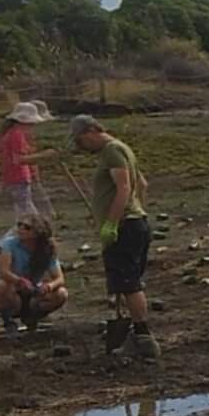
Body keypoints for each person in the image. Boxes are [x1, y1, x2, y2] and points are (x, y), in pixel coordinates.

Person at [69, 114, 156, 359]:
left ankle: (143, 336)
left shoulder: (112, 151)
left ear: (91, 131)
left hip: (126, 227)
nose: (82, 148)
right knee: (127, 281)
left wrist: (112, 222)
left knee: (129, 283)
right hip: (135, 222)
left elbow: (125, 187)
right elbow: (143, 185)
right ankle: (133, 331)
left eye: (81, 141)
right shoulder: (123, 149)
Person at [0, 215, 69, 331]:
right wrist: (19, 281)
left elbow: (59, 278)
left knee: (61, 293)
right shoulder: (9, 244)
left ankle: (33, 317)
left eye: (26, 227)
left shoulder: (47, 250)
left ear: (37, 233)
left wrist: (48, 287)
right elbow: (4, 271)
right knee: (2, 285)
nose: (21, 229)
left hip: (35, 291)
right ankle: (8, 320)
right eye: (19, 225)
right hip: (14, 290)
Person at [0, 101, 58, 222]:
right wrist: (44, 155)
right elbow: (19, 160)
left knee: (22, 209)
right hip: (18, 177)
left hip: (14, 177)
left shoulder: (10, 134)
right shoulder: (17, 135)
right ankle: (35, 233)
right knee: (28, 213)